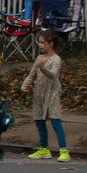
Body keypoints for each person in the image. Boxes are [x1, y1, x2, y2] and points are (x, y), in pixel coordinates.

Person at [22, 29, 69, 162]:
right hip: (39, 93)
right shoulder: (39, 58)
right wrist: (24, 85)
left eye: (42, 43)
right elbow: (31, 75)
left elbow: (53, 75)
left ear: (51, 43)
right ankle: (44, 149)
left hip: (52, 92)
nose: (40, 45)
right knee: (39, 121)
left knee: (55, 120)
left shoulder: (56, 59)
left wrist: (42, 68)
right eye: (39, 42)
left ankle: (64, 150)